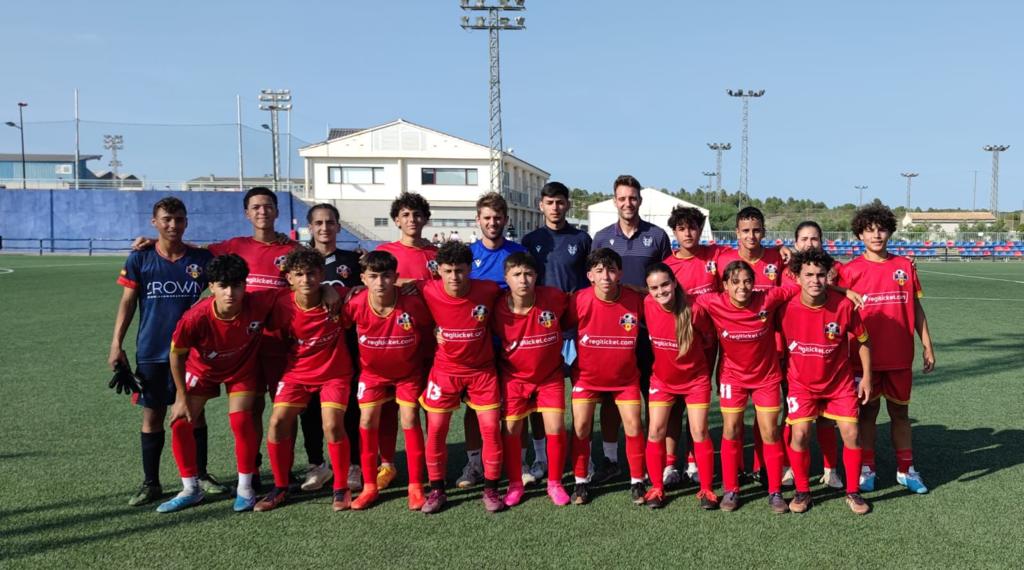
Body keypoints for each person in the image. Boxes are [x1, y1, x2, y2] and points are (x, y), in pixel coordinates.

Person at [109, 197, 217, 506]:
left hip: (193, 353)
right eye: (167, 219)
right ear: (154, 222)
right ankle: (151, 483)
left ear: (186, 222)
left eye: (179, 219)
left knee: (195, 414)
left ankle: (201, 474)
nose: (173, 224)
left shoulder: (202, 259)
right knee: (152, 415)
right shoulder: (140, 259)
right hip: (152, 350)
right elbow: (128, 302)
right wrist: (116, 344)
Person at [159, 254, 276, 513]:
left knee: (242, 420)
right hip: (202, 370)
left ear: (245, 285)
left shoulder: (259, 302)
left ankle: (245, 489)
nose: (230, 293)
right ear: (211, 286)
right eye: (223, 286)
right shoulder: (195, 317)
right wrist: (180, 397)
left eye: (236, 285)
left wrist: (328, 290)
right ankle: (191, 489)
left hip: (242, 370)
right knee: (180, 421)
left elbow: (297, 291)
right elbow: (176, 355)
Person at [839, 204, 935, 494]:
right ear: (859, 235)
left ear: (890, 232)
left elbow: (916, 308)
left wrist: (927, 345)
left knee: (900, 414)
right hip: (863, 360)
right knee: (867, 414)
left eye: (881, 229)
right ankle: (867, 468)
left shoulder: (904, 266)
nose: (876, 235)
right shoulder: (849, 270)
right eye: (869, 230)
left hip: (899, 357)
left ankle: (906, 470)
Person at [694, 261, 800, 513]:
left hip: (766, 378)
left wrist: (843, 291)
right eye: (735, 282)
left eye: (747, 281)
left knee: (770, 432)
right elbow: (682, 298)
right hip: (732, 378)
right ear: (725, 285)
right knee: (731, 429)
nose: (742, 287)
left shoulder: (767, 298)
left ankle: (775, 491)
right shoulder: (712, 301)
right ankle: (731, 489)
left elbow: (802, 286)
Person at [254, 249, 354, 512]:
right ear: (289, 278)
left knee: (332, 424)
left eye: (312, 273)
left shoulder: (339, 297)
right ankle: (280, 487)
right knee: (277, 422)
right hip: (297, 372)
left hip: (334, 373)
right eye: (299, 274)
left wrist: (332, 290)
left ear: (321, 275)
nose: (306, 279)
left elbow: (368, 293)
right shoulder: (280, 303)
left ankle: (341, 487)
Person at [591, 175, 671, 484]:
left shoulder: (657, 236)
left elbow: (668, 281)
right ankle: (611, 459)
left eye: (633, 198)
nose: (628, 203)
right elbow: (595, 282)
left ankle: (656, 461)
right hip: (612, 334)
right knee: (611, 398)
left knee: (655, 397)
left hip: (651, 330)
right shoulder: (601, 238)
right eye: (622, 198)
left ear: (640, 200)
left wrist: (640, 292)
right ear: (615, 200)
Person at [780, 248, 872, 515]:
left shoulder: (843, 306)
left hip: (838, 384)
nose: (815, 280)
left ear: (828, 277)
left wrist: (867, 376)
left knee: (851, 433)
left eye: (820, 275)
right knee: (800, 433)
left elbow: (864, 341)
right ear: (797, 277)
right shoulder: (785, 307)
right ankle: (803, 492)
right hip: (801, 385)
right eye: (808, 275)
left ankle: (853, 492)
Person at [417, 241, 505, 514]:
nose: (454, 277)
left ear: (470, 269)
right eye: (448, 271)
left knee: (490, 428)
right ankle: (437, 490)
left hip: (482, 371)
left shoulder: (488, 290)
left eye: (460, 270)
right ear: (439, 270)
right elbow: (396, 288)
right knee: (436, 429)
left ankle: (491, 489)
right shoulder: (427, 289)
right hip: (445, 371)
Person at [344, 251, 434, 511]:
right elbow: (341, 327)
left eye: (386, 276)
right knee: (366, 420)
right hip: (372, 375)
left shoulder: (413, 305)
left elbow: (430, 329)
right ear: (363, 279)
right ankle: (369, 486)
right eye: (373, 276)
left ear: (396, 277)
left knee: (409, 418)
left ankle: (415, 486)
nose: (380, 282)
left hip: (408, 374)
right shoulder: (356, 304)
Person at [521, 181, 592, 484]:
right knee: (540, 397)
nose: (555, 207)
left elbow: (591, 279)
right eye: (549, 202)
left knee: (581, 395)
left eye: (560, 202)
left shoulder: (582, 239)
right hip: (542, 330)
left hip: (576, 329)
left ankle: (583, 458)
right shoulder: (530, 240)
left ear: (567, 205)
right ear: (541, 205)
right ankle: (541, 458)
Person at [457, 192, 528, 489]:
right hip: (478, 344)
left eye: (497, 217)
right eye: (487, 217)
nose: (492, 222)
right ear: (478, 220)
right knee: (474, 408)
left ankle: (519, 462)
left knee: (517, 405)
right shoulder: (466, 255)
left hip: (513, 342)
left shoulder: (519, 253)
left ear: (506, 220)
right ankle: (475, 464)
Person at [567, 248, 647, 506]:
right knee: (581, 427)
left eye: (611, 270)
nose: (605, 276)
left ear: (620, 273)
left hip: (625, 380)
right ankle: (580, 481)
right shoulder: (578, 300)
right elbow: (555, 323)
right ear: (589, 275)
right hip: (587, 379)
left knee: (633, 426)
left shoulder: (634, 299)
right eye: (599, 271)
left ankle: (637, 481)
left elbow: (663, 306)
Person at [491, 252, 571, 507]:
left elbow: (578, 308)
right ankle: (515, 483)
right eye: (516, 274)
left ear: (536, 276)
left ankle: (555, 483)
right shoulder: (495, 306)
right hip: (513, 378)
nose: (523, 280)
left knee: (556, 427)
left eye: (528, 274)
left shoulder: (554, 298)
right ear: (506, 278)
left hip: (549, 376)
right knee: (511, 429)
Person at [373, 192, 438, 491]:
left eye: (417, 215)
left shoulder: (436, 254)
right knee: (389, 408)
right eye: (406, 215)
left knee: (430, 406)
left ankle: (428, 463)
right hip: (393, 343)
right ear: (396, 220)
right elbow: (370, 283)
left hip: (430, 341)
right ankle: (387, 463)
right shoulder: (385, 252)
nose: (412, 220)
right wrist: (398, 283)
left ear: (425, 219)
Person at [715, 206, 785, 481]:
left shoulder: (777, 258)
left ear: (764, 232)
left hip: (771, 349)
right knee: (732, 423)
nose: (751, 236)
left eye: (756, 230)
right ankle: (735, 473)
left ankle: (762, 468)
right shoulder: (723, 259)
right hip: (733, 351)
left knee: (765, 419)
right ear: (737, 233)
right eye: (745, 231)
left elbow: (794, 288)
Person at [642, 263, 718, 510]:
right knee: (655, 431)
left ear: (674, 283)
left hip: (695, 381)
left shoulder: (695, 310)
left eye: (665, 284)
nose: (660, 291)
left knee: (699, 431)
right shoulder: (647, 304)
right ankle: (657, 488)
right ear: (648, 290)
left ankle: (707, 489)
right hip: (662, 381)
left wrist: (701, 372)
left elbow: (709, 342)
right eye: (654, 288)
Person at [661, 205, 726, 485]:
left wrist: (782, 250)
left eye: (693, 227)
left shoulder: (716, 255)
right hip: (677, 344)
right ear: (674, 233)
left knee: (698, 404)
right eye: (682, 228)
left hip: (710, 342)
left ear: (700, 229)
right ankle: (669, 464)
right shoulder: (668, 266)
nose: (688, 233)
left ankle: (692, 461)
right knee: (674, 405)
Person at [780, 220, 844, 489]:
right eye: (804, 239)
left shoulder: (835, 268)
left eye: (814, 238)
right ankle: (789, 467)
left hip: (827, 354)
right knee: (792, 415)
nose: (809, 243)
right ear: (795, 243)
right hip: (795, 355)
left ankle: (830, 470)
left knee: (827, 419)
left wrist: (843, 288)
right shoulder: (784, 269)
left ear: (822, 241)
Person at [306, 203, 365, 493]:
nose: (324, 228)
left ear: (339, 227)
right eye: (318, 223)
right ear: (310, 227)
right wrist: (325, 289)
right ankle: (317, 464)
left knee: (350, 404)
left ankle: (354, 464)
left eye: (330, 222)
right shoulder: (299, 260)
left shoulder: (353, 260)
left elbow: (367, 288)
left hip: (346, 342)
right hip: (309, 346)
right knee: (309, 407)